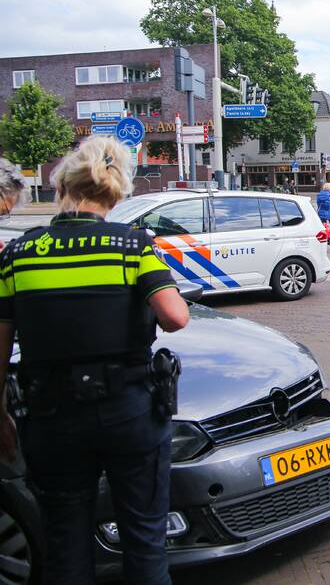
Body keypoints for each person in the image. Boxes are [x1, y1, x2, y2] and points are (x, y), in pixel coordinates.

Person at [0, 136, 189, 584]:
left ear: (64, 185)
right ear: (116, 190)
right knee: (144, 537)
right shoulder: (132, 246)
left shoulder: (18, 254)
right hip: (129, 411)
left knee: (66, 541)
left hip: (51, 416)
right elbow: (176, 317)